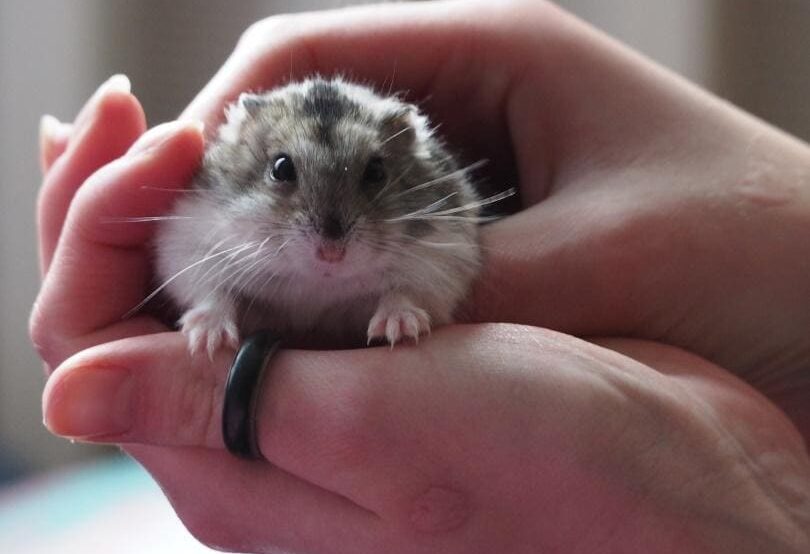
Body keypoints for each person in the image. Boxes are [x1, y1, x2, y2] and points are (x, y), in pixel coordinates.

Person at [31, 1, 810, 552]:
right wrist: (209, 305)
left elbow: (454, 253)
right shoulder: (209, 201)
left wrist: (410, 298)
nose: (329, 235)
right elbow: (175, 252)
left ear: (401, 163)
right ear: (248, 158)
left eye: (368, 179)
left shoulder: (432, 210)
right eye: (285, 174)